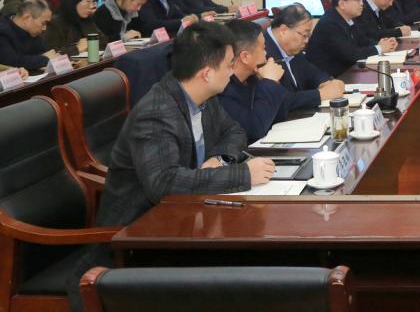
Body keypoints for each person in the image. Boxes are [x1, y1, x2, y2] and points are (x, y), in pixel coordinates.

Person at [66, 22, 275, 311]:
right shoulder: (157, 112)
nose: (232, 71)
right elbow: (164, 184)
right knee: (251, 263)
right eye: (229, 64)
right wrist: (242, 174)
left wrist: (221, 160)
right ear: (206, 73)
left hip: (185, 222)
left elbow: (235, 131)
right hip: (136, 241)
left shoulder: (203, 96)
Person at [265, 3, 346, 115]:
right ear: (283, 30)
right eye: (304, 35)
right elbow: (280, 101)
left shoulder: (291, 48)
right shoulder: (263, 53)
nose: (307, 41)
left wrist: (327, 82)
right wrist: (320, 95)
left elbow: (311, 71)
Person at [306, 0, 398, 76]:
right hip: (330, 78)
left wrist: (383, 43)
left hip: (347, 73)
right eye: (357, 0)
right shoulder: (330, 24)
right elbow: (351, 55)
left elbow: (363, 41)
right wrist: (380, 48)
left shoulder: (348, 19)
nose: (362, 3)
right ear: (342, 4)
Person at [218, 19, 288, 143]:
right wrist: (270, 82)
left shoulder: (253, 78)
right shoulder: (222, 89)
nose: (266, 54)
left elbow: (280, 115)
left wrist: (273, 82)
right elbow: (254, 130)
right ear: (245, 56)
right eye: (263, 48)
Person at [44, 0, 108, 54]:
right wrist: (77, 48)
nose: (91, 6)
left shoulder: (87, 20)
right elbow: (52, 54)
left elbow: (103, 42)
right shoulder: (55, 23)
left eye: (93, 2)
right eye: (88, 1)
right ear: (74, 1)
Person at [0, 0, 57, 70]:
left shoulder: (32, 32)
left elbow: (44, 53)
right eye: (43, 23)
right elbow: (11, 62)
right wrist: (44, 59)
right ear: (27, 18)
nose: (44, 28)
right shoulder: (2, 31)